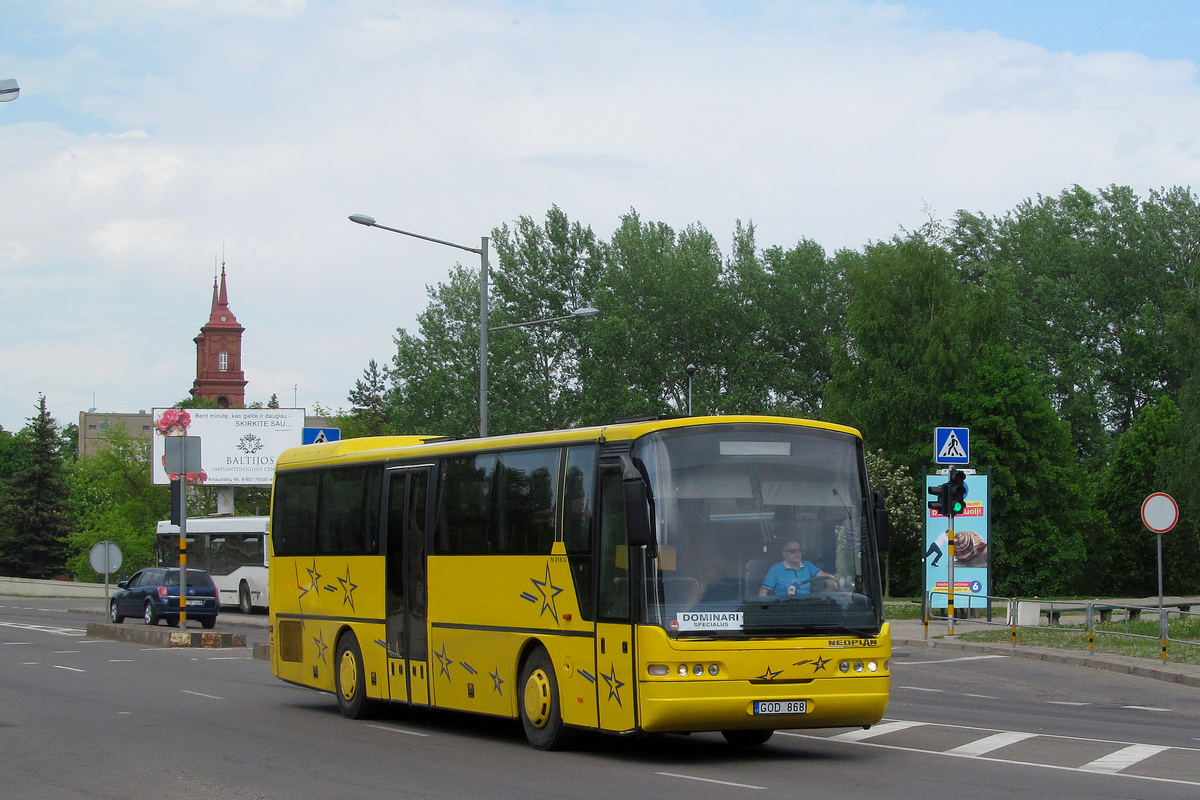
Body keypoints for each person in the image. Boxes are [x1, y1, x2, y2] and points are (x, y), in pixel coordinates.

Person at [759, 539, 836, 597]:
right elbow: (763, 592)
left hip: (807, 607)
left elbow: (823, 575)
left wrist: (833, 581)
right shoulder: (775, 569)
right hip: (782, 608)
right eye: (792, 551)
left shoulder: (808, 565)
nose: (797, 553)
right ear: (784, 554)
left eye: (799, 550)